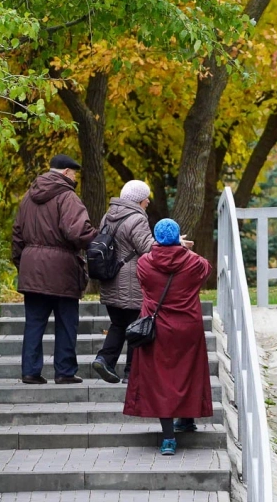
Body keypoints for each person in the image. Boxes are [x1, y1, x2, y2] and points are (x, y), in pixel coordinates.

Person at [123, 218, 212, 456]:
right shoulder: (194, 262)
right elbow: (206, 268)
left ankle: (168, 438)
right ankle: (187, 419)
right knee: (189, 372)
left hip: (157, 328)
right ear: (178, 237)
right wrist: (183, 249)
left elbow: (144, 281)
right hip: (188, 326)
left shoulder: (144, 263)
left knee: (161, 379)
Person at [11, 154, 97, 385]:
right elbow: (76, 232)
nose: (75, 177)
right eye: (74, 173)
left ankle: (30, 371)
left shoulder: (28, 197)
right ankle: (65, 371)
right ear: (67, 172)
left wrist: (25, 264)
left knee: (34, 322)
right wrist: (98, 239)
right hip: (62, 269)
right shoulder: (68, 197)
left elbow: (17, 235)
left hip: (32, 268)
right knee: (66, 321)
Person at [91, 180, 155, 384]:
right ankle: (132, 373)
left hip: (110, 278)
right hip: (131, 281)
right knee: (137, 326)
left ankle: (104, 359)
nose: (147, 202)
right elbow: (147, 248)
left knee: (118, 323)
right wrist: (174, 242)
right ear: (139, 200)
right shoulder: (137, 219)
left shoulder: (108, 216)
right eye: (146, 199)